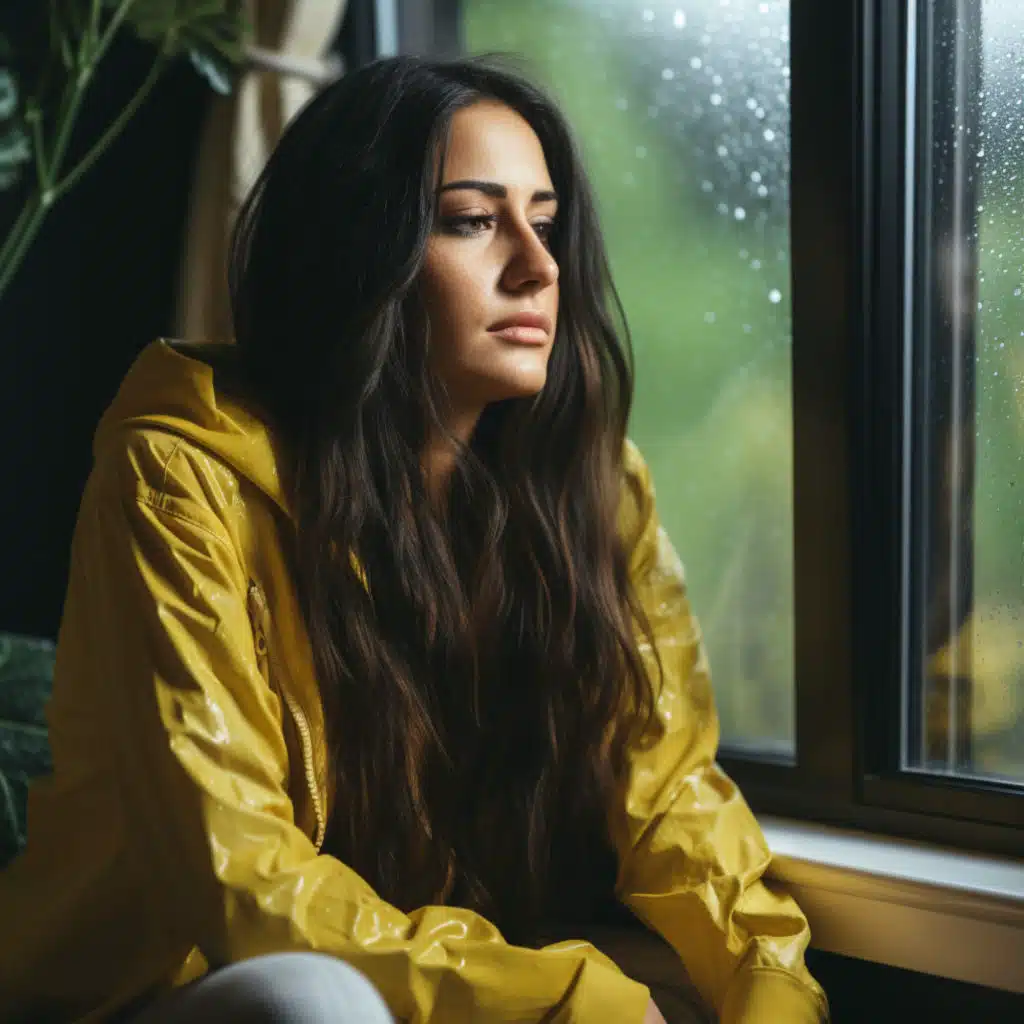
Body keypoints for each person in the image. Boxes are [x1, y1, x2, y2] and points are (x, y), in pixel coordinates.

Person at [0, 56, 828, 1024]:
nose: (538, 266)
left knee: (678, 992)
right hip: (159, 993)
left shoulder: (594, 490)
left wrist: (773, 990)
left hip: (408, 972)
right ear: (358, 252)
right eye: (472, 221)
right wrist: (577, 1000)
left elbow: (674, 794)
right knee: (314, 1002)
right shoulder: (178, 480)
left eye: (546, 222)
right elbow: (239, 883)